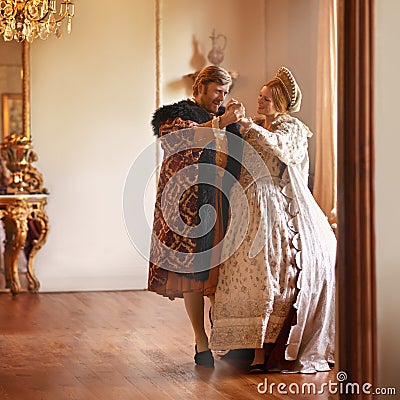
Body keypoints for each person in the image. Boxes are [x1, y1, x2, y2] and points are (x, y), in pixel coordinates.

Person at [209, 66, 336, 373]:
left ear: (280, 102)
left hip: (273, 202)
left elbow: (276, 146)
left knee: (269, 269)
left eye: (266, 98)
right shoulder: (254, 127)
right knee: (246, 271)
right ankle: (249, 345)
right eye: (259, 96)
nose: (260, 101)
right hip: (248, 203)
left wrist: (247, 124)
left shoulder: (291, 127)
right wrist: (228, 126)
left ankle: (264, 351)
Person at [148, 65, 245, 368]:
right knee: (193, 276)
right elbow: (181, 142)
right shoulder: (174, 116)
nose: (221, 97)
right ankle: (201, 342)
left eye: (225, 93)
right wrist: (222, 121)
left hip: (221, 201)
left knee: (222, 275)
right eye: (217, 91)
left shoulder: (226, 122)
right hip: (188, 206)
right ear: (200, 87)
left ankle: (225, 337)